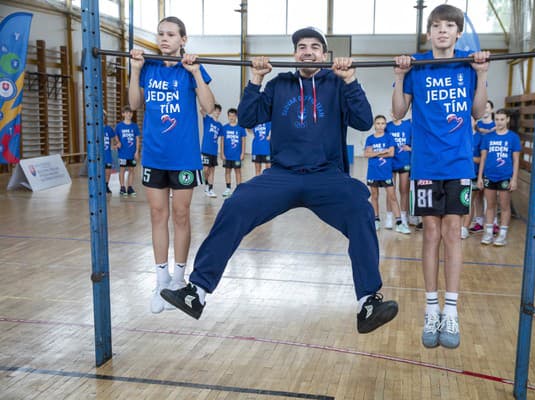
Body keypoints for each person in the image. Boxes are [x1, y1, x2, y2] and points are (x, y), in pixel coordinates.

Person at [161, 26, 398, 334]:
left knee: (361, 210)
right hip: (282, 175)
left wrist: (351, 80)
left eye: (315, 47)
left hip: (326, 176)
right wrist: (256, 80)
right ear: (294, 54)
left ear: (325, 55)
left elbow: (364, 120)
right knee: (237, 204)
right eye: (302, 47)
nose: (308, 51)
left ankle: (367, 301)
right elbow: (247, 119)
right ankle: (197, 292)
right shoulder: (279, 84)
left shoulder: (337, 84)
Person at [392, 4, 490, 348]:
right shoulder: (417, 65)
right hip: (426, 165)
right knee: (430, 231)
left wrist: (482, 73)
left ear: (458, 33)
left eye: (450, 26)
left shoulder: (467, 63)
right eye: (437, 26)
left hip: (459, 163)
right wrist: (401, 76)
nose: (443, 31)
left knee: (453, 231)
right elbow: (398, 112)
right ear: (429, 33)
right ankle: (430, 308)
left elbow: (479, 112)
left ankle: (452, 311)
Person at [128, 16, 215, 313]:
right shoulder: (149, 65)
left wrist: (196, 73)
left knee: (180, 215)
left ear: (183, 39)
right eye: (161, 34)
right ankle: (161, 280)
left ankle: (179, 279)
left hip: (184, 156)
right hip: (154, 155)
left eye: (171, 34)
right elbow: (135, 104)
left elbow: (207, 106)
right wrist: (134, 70)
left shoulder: (191, 67)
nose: (164, 39)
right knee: (157, 214)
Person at [477, 109, 521, 246]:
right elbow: (483, 159)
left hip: (505, 176)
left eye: (502, 119)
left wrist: (514, 179)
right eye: (497, 119)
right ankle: (488, 232)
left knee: (504, 206)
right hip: (489, 176)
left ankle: (502, 234)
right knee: (490, 205)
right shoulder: (488, 137)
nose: (499, 122)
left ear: (507, 120)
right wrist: (480, 177)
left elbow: (516, 160)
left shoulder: (513, 138)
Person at [364, 115, 403, 232]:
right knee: (374, 197)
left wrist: (374, 153)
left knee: (392, 197)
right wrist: (382, 151)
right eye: (378, 123)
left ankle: (400, 223)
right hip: (373, 172)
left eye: (383, 123)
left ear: (385, 125)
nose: (380, 126)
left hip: (385, 173)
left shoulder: (389, 138)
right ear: (374, 125)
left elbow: (391, 154)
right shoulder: (370, 139)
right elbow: (366, 154)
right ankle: (376, 220)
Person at [385, 112, 413, 234]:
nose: (395, 114)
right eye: (393, 112)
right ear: (391, 112)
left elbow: (415, 141)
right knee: (390, 190)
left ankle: (403, 217)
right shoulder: (387, 126)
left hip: (404, 161)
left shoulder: (408, 125)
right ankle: (389, 216)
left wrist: (410, 148)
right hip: (390, 161)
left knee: (404, 190)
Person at [472, 99, 496, 234]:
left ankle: (493, 222)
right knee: (477, 197)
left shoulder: (496, 124)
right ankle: (479, 222)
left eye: (488, 107)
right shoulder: (478, 124)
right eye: (484, 107)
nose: (485, 110)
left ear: (492, 110)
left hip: (491, 165)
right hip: (477, 165)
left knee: (491, 197)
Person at [461, 116, 482, 239]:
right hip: (461, 174)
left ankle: (465, 227)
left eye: (471, 119)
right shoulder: (461, 136)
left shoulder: (480, 137)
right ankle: (461, 225)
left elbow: (482, 159)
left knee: (469, 202)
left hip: (473, 174)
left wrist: (468, 158)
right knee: (462, 202)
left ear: (475, 122)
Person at [115, 105, 141, 196]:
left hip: (132, 152)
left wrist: (137, 151)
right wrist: (118, 142)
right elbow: (116, 135)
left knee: (131, 170)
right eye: (126, 113)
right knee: (122, 170)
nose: (128, 114)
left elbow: (137, 139)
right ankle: (122, 187)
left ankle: (129, 187)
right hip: (122, 152)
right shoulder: (119, 126)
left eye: (130, 113)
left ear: (132, 114)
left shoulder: (135, 126)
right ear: (123, 114)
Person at [220, 108, 246, 197]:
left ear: (236, 116)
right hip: (227, 155)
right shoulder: (224, 128)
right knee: (227, 171)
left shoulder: (241, 128)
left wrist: (243, 153)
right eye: (230, 116)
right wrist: (222, 153)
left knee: (238, 171)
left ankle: (239, 188)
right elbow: (222, 141)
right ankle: (228, 188)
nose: (231, 117)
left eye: (233, 116)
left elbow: (243, 141)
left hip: (237, 155)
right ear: (228, 116)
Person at [201, 103, 222, 198]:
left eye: (218, 111)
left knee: (212, 170)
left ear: (220, 113)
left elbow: (221, 138)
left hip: (214, 150)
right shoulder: (208, 120)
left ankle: (210, 188)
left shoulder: (219, 125)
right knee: (206, 169)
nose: (216, 112)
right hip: (205, 149)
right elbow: (202, 110)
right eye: (215, 110)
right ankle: (206, 183)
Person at [103, 112, 120, 194]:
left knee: (108, 170)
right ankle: (100, 186)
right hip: (98, 154)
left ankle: (106, 185)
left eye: (103, 116)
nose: (101, 117)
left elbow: (114, 138)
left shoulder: (108, 128)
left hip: (107, 153)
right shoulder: (94, 129)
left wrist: (115, 144)